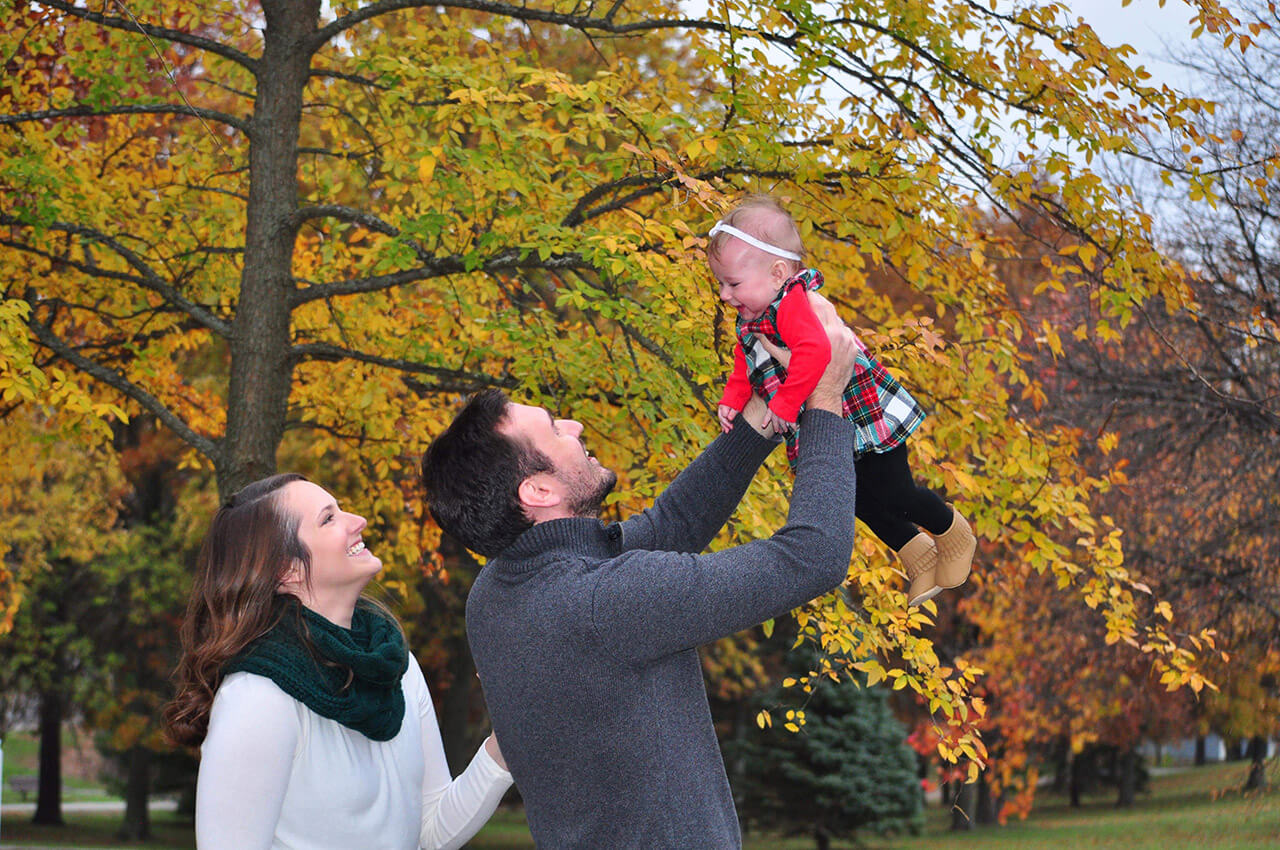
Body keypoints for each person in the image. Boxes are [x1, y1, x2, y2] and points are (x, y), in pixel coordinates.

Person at [419, 315, 861, 849]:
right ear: (536, 491)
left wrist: (759, 423)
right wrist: (826, 405)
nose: (576, 428)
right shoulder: (605, 602)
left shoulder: (496, 594)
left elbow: (667, 528)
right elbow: (813, 557)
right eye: (556, 430)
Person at [164, 473, 511, 850]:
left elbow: (429, 831)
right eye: (328, 518)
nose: (357, 520)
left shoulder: (396, 667)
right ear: (286, 569)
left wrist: (506, 740)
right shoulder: (257, 697)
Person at [709, 193, 976, 607]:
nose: (725, 295)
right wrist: (734, 397)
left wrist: (781, 405)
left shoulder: (795, 304)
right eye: (722, 284)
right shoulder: (754, 317)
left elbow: (816, 353)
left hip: (859, 408)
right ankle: (918, 556)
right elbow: (745, 363)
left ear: (778, 273)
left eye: (733, 284)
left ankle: (953, 534)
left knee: (895, 491)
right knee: (855, 498)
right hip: (827, 417)